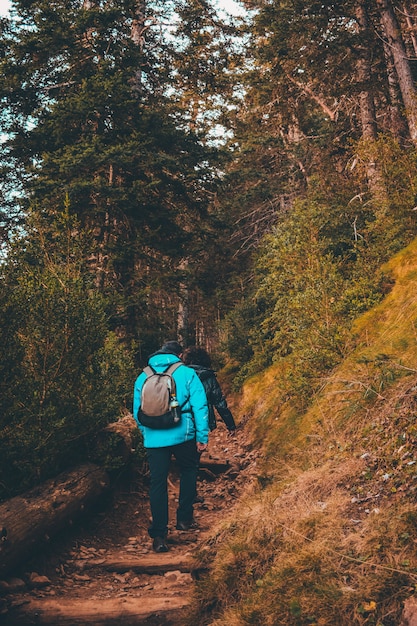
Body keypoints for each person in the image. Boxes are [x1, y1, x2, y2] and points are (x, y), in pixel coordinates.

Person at [133, 340, 209, 553]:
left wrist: (147, 433)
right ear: (179, 354)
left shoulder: (143, 376)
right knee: (189, 470)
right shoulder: (186, 373)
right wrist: (202, 436)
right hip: (183, 434)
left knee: (157, 484)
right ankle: (184, 519)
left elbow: (136, 411)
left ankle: (159, 536)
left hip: (153, 438)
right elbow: (200, 405)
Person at [182, 346, 236, 434]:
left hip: (183, 421)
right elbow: (220, 403)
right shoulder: (208, 377)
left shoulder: (180, 376)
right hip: (203, 420)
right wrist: (231, 425)